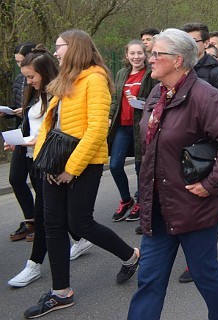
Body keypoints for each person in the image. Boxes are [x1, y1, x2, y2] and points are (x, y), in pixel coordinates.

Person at [127, 28, 218, 319]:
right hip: (157, 206)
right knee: (149, 279)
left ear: (178, 60)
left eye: (157, 54)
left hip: (193, 206)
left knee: (205, 274)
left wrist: (210, 184)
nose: (150, 58)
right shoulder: (157, 92)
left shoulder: (206, 97)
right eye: (151, 53)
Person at [23, 29, 140, 319]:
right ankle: (61, 292)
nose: (56, 52)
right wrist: (45, 160)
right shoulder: (65, 78)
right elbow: (53, 123)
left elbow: (97, 130)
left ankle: (131, 256)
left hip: (83, 164)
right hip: (56, 161)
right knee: (52, 224)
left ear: (74, 47)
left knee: (80, 222)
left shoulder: (96, 79)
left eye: (59, 46)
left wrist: (70, 169)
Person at [6, 45, 59, 287]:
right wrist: (19, 141)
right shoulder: (34, 93)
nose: (27, 81)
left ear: (45, 72)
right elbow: (31, 126)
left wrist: (38, 140)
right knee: (54, 217)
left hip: (49, 162)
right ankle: (36, 264)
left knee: (51, 216)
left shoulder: (59, 95)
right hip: (33, 157)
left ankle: (34, 264)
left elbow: (60, 131)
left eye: (31, 76)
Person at [108, 40, 155, 223]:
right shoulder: (121, 74)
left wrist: (139, 100)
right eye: (132, 53)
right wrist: (110, 116)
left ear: (145, 54)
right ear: (127, 55)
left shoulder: (150, 75)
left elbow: (154, 99)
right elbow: (115, 99)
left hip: (140, 127)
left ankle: (141, 203)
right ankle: (126, 200)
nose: (136, 57)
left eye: (140, 53)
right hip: (122, 126)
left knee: (139, 167)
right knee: (114, 165)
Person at [7, 42, 36, 242]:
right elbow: (16, 105)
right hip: (20, 133)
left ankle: (40, 223)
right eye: (17, 62)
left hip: (35, 136)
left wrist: (25, 111)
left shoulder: (43, 80)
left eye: (22, 62)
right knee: (15, 178)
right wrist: (9, 112)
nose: (19, 67)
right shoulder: (19, 80)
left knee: (37, 181)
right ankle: (31, 220)